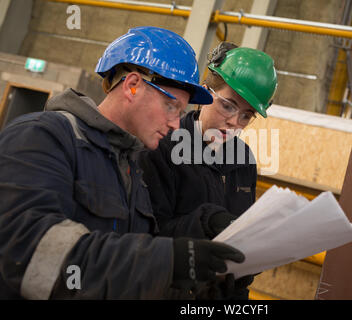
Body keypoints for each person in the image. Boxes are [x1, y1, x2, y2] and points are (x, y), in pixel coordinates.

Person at [0, 27, 246, 299]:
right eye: (170, 106)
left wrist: (198, 288)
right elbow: (28, 254)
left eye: (181, 112)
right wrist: (167, 261)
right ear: (132, 86)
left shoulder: (130, 169)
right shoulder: (44, 136)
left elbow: (125, 277)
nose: (176, 125)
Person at [138, 42, 278, 299]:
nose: (235, 122)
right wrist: (206, 223)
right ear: (205, 92)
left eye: (247, 116)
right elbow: (147, 238)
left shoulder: (244, 159)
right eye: (228, 105)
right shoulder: (163, 145)